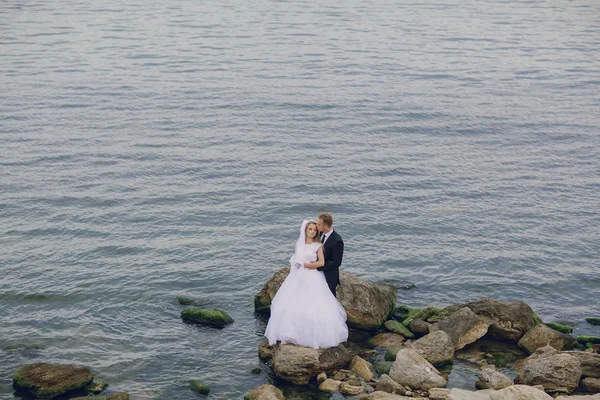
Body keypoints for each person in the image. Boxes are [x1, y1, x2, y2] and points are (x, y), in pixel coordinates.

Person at [264, 219, 348, 349]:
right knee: (294, 302)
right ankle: (293, 332)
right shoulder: (300, 244)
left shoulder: (318, 245)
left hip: (313, 275)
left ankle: (315, 334)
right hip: (298, 276)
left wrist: (308, 265)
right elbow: (296, 258)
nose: (313, 231)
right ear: (305, 230)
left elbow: (321, 263)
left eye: (315, 229)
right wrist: (297, 264)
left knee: (315, 303)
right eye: (310, 229)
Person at [316, 213, 344, 297]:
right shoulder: (319, 234)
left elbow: (336, 262)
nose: (316, 225)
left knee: (330, 301)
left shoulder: (337, 240)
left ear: (325, 227)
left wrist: (320, 266)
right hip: (317, 274)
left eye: (319, 224)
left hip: (329, 276)